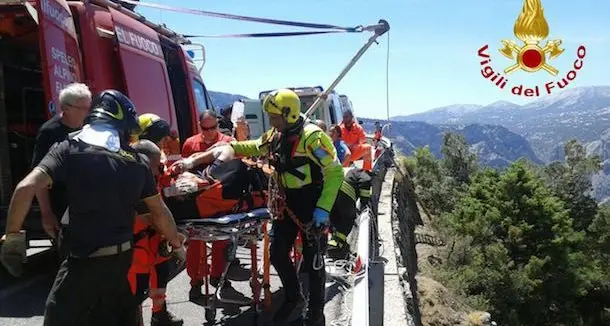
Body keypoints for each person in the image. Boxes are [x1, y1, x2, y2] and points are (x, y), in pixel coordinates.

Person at [0, 89, 186, 326]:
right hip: (121, 268)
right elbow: (159, 212)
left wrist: (13, 236)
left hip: (81, 267)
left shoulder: (69, 149)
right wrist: (177, 244)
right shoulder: (137, 161)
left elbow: (26, 187)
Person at [226, 89, 344, 325]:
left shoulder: (313, 137)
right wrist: (233, 147)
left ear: (288, 115)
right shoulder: (276, 135)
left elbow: (335, 171)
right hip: (287, 202)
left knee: (313, 262)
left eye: (274, 116)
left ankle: (315, 313)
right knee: (279, 254)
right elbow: (257, 146)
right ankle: (294, 297)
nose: (271, 120)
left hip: (312, 203)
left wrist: (322, 210)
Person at [131, 120, 183, 326]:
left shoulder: (154, 159)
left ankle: (159, 313)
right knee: (137, 284)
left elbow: (161, 188)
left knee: (160, 273)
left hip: (156, 231)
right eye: (161, 140)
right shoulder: (132, 165)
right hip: (142, 233)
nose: (164, 145)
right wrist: (176, 240)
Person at [180, 109, 235, 301]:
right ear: (200, 126)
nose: (209, 132)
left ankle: (217, 276)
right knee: (195, 243)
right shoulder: (190, 143)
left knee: (222, 240)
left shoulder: (227, 143)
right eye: (205, 128)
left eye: (213, 128)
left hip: (220, 201)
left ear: (218, 126)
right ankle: (195, 281)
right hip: (197, 202)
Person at [32, 83, 92, 245]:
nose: (87, 113)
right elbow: (38, 177)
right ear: (66, 108)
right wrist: (46, 213)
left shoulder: (90, 129)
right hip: (62, 202)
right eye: (82, 108)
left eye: (88, 107)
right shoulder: (49, 132)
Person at [327, 168, 372, 257]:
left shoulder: (351, 171)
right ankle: (336, 245)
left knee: (335, 216)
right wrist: (365, 201)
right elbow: (365, 182)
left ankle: (332, 243)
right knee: (348, 218)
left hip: (332, 190)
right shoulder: (365, 175)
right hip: (346, 191)